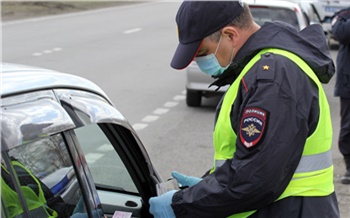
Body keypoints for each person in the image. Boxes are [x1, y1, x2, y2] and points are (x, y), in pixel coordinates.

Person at [149, 1, 340, 217]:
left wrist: (182, 204)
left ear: (230, 35)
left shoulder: (273, 77)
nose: (199, 61)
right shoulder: (258, 68)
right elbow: (251, 160)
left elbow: (256, 177)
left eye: (202, 52)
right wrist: (207, 184)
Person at [332, 7, 350, 185]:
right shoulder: (344, 15)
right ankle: (349, 167)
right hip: (348, 84)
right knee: (347, 128)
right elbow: (340, 34)